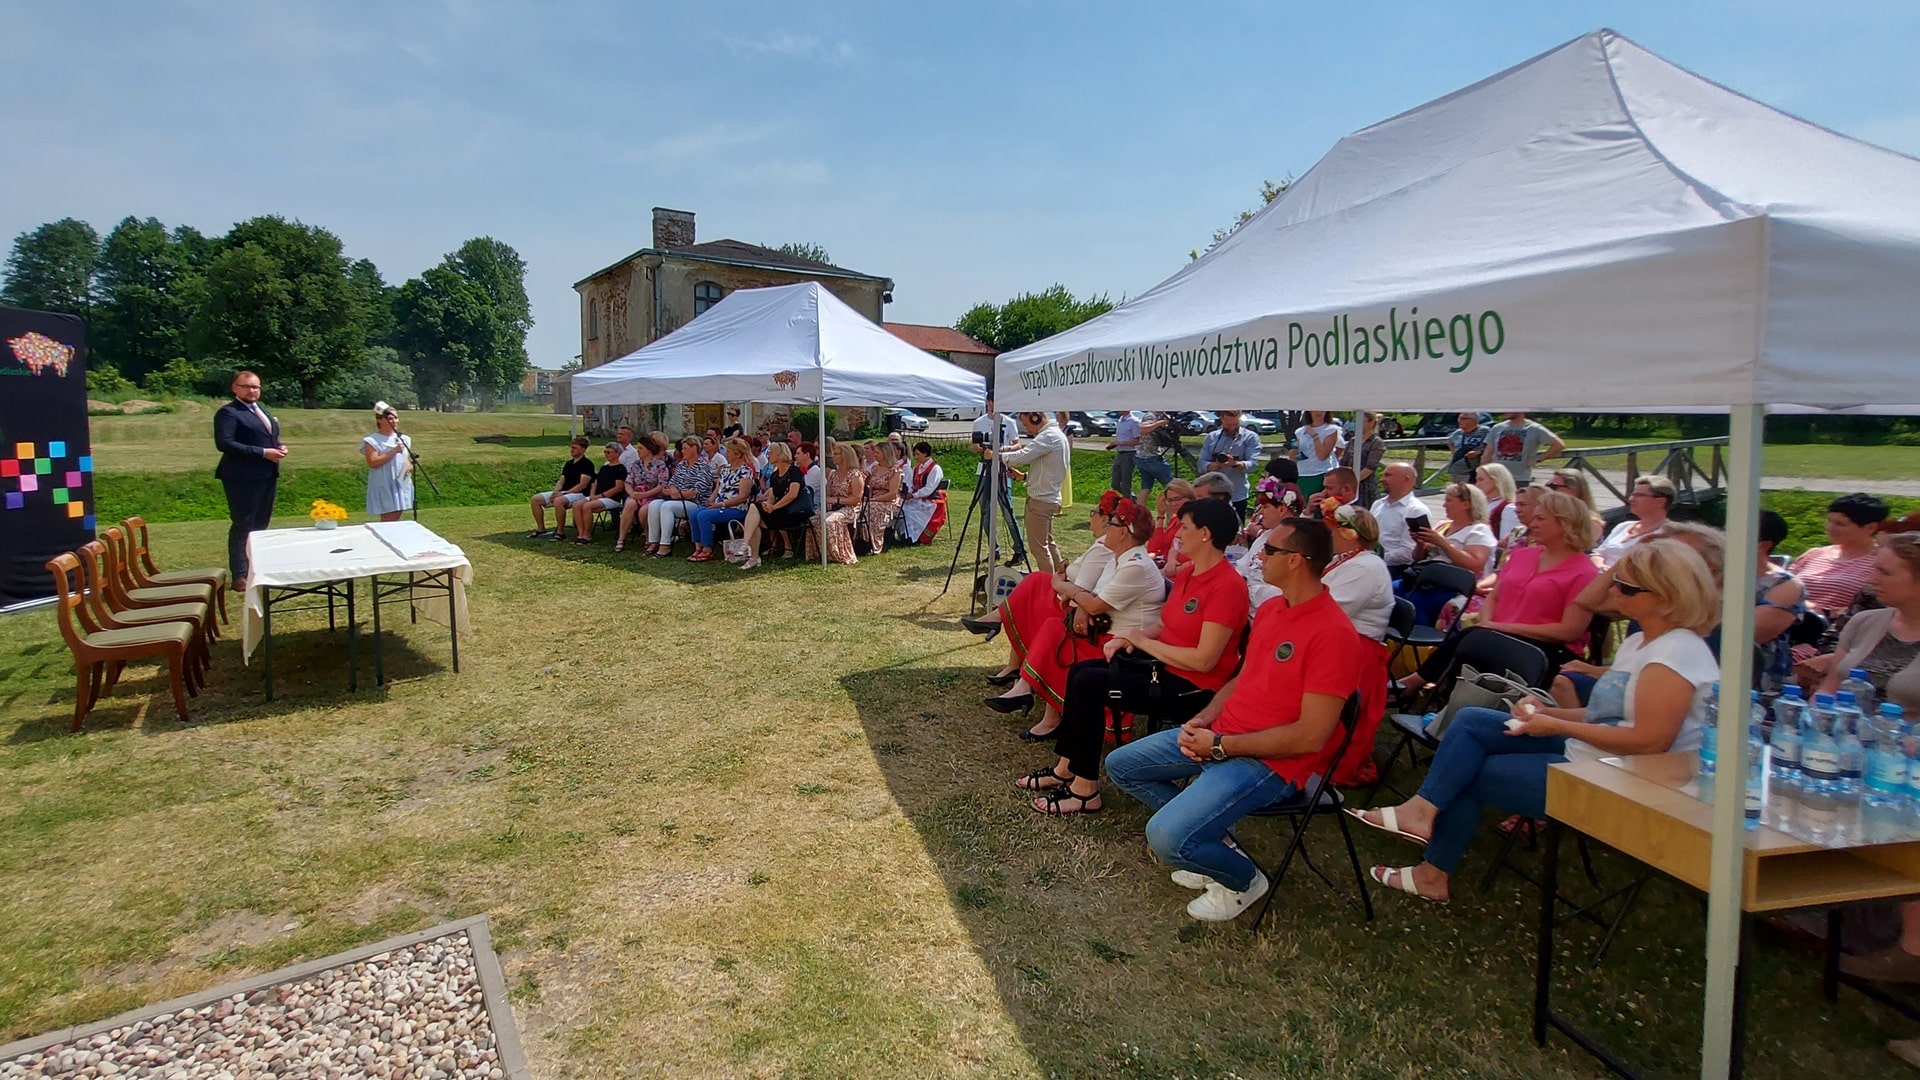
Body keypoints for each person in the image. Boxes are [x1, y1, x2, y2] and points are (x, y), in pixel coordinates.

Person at [1356, 539, 1720, 903]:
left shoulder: (1675, 654)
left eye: (1625, 587)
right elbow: (1610, 715)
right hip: (1597, 752)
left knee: (1467, 771)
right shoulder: (1641, 642)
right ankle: (1422, 812)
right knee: (1469, 722)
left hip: (1620, 779)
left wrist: (1557, 725)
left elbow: (1649, 741)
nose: (1613, 592)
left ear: (1663, 596)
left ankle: (1432, 873)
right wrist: (1548, 712)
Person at [1101, 516, 1363, 921]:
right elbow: (1242, 678)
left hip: (1269, 762)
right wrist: (1204, 720)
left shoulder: (1333, 634)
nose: (1260, 556)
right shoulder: (1273, 609)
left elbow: (1310, 737)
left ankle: (1243, 880)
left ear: (1296, 560)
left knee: (1165, 837)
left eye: (1270, 550)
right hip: (1223, 735)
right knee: (1123, 766)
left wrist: (1221, 747)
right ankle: (1211, 840)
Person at [1013, 498, 1251, 820]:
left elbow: (1204, 661)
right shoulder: (1191, 574)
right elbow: (1164, 625)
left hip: (1192, 688)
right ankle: (1066, 769)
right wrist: (1130, 637)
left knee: (1090, 683)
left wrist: (1141, 641)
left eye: (1185, 527)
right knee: (1082, 674)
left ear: (1205, 534)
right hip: (1164, 669)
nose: (1177, 534)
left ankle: (1084, 790)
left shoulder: (1227, 587)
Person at [1825, 534, 1920, 985]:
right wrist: (1818, 721)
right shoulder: (1867, 621)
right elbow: (1831, 686)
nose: (1871, 578)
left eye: (1885, 571)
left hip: (1906, 761)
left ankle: (1911, 950)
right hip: (1849, 748)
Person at [991, 497, 1166, 739]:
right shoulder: (1120, 558)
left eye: (1112, 524)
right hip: (1107, 635)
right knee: (1054, 626)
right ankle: (1029, 693)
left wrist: (1063, 587)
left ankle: (1033, 697)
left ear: (1124, 532)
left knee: (1055, 629)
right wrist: (1077, 597)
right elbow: (1092, 597)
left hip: (1124, 649)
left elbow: (1093, 603)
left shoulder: (1135, 565)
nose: (1107, 528)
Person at [1396, 490, 1601, 696]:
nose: (1533, 524)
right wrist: (1487, 624)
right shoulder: (1522, 556)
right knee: (1476, 642)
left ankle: (1415, 683)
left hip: (1544, 648)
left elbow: (1570, 631)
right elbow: (1494, 596)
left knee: (1476, 643)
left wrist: (1499, 628)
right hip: (1498, 635)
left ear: (1565, 523)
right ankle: (1433, 691)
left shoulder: (1583, 572)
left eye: (1540, 519)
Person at [1789, 492, 1891, 667]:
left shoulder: (1880, 562)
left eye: (1840, 524)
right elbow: (1783, 586)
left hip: (1836, 634)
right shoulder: (1815, 554)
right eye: (1829, 521)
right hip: (1791, 623)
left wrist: (1829, 611)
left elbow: (1879, 603)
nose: (1830, 528)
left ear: (1870, 527)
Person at [213, 370, 288, 583]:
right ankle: (240, 574)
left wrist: (278, 447)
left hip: (266, 474)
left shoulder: (261, 410)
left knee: (261, 523)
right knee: (243, 523)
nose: (252, 390)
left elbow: (266, 437)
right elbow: (225, 443)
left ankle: (256, 567)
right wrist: (263, 452)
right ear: (234, 388)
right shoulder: (229, 412)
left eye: (255, 387)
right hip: (241, 476)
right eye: (246, 387)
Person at [1000, 411, 1072, 575]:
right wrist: (1025, 476)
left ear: (1035, 417)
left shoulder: (1048, 436)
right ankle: (1060, 579)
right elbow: (1047, 470)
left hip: (1041, 501)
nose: (1027, 429)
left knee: (1039, 549)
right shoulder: (1055, 434)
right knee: (1048, 544)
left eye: (1027, 424)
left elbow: (1021, 457)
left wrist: (997, 456)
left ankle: (1048, 584)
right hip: (1048, 498)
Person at [738, 441, 810, 568]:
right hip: (778, 511)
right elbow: (772, 496)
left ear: (779, 454)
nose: (768, 455)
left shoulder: (794, 471)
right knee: (754, 512)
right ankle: (752, 554)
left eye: (771, 453)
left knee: (755, 515)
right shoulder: (774, 476)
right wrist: (768, 504)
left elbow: (792, 494)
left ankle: (749, 549)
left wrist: (774, 507)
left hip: (793, 513)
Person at [972, 397, 1026, 564]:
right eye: (992, 402)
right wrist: (980, 447)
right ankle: (993, 549)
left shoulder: (1009, 422)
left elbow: (1018, 444)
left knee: (1007, 511)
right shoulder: (979, 422)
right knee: (986, 513)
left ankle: (1019, 550)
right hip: (984, 469)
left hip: (1002, 469)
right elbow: (972, 446)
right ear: (988, 402)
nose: (994, 405)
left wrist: (1003, 449)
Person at [688, 437, 756, 562]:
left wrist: (721, 505)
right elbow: (718, 487)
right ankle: (698, 547)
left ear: (738, 454)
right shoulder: (725, 469)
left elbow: (743, 496)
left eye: (729, 452)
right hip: (719, 504)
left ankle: (707, 549)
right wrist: (712, 498)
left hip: (735, 508)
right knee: (694, 513)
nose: (726, 454)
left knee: (704, 516)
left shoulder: (745, 471)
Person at [645, 436, 713, 557]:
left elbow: (696, 492)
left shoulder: (704, 467)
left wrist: (678, 494)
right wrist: (673, 491)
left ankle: (665, 545)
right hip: (677, 499)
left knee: (667, 506)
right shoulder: (682, 465)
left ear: (694, 448)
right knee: (654, 505)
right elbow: (672, 483)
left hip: (696, 503)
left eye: (685, 448)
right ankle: (653, 541)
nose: (682, 451)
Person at [1411, 482, 1497, 578]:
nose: (1444, 505)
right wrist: (1420, 545)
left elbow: (1475, 564)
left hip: (1456, 582)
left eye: (1449, 500)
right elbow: (1418, 558)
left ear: (1465, 504)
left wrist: (1443, 543)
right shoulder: (1442, 525)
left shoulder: (1479, 530)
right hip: (1427, 574)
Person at [1593, 475, 1677, 566]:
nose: (1631, 499)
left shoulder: (1669, 535)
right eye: (1632, 494)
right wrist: (1601, 566)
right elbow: (1597, 553)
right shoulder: (1623, 526)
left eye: (1639, 495)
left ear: (1660, 501)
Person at [529, 436, 596, 540]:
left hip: (580, 493)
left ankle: (560, 531)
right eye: (571, 447)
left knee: (558, 501)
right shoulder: (569, 464)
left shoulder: (587, 464)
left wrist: (564, 493)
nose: (571, 450)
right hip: (565, 492)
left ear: (583, 449)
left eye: (574, 448)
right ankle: (541, 528)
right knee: (535, 499)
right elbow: (561, 480)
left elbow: (582, 485)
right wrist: (556, 491)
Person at [1201, 410, 1264, 519]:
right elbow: (1201, 463)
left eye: (1235, 424)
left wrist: (1235, 463)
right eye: (1228, 424)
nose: (1231, 428)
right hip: (1212, 493)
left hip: (1237, 493)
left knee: (1236, 526)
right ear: (1222, 419)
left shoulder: (1250, 437)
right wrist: (1214, 465)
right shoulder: (1211, 437)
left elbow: (1253, 464)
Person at [614, 434, 670, 553]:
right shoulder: (636, 465)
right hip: (637, 494)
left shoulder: (660, 465)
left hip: (653, 495)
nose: (638, 451)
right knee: (629, 505)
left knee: (644, 511)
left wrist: (646, 495)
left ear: (648, 450)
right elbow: (628, 482)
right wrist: (632, 493)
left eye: (640, 448)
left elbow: (662, 485)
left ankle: (650, 536)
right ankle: (621, 539)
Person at [815, 443, 868, 565]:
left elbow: (856, 499)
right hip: (835, 506)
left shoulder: (856, 475)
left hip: (851, 508)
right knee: (815, 519)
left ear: (845, 456)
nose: (833, 456)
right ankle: (822, 553)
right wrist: (828, 500)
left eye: (836, 454)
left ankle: (838, 554)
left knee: (830, 521)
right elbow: (828, 494)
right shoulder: (833, 474)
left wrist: (837, 500)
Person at [361, 401, 413, 523]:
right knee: (388, 517)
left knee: (397, 513)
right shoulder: (372, 440)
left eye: (396, 418)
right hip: (384, 482)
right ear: (380, 420)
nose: (394, 421)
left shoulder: (404, 439)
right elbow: (372, 462)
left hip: (399, 482)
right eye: (390, 418)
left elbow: (404, 458)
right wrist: (393, 451)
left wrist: (408, 466)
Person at [568, 442, 629, 545]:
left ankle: (587, 535)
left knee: (587, 506)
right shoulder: (604, 468)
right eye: (605, 452)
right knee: (576, 505)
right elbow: (595, 484)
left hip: (611, 499)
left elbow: (618, 488)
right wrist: (592, 495)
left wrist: (600, 496)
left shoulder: (620, 469)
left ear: (617, 453)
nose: (606, 454)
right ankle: (581, 533)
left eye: (609, 452)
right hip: (597, 496)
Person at [1371, 461, 1424, 577]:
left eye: (1388, 475)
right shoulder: (1378, 504)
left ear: (1406, 479)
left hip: (1395, 570)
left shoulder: (1415, 510)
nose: (1382, 479)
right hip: (1371, 562)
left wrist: (1375, 559)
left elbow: (1408, 552)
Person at [1485, 412, 1564, 487]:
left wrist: (1538, 459)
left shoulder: (1535, 428)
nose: (1505, 411)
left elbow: (1558, 445)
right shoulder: (1497, 428)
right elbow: (1488, 453)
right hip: (1496, 477)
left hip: (1520, 478)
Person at [900, 441, 947, 545]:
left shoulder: (935, 469)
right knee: (902, 507)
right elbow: (913, 484)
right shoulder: (917, 468)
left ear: (925, 453)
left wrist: (914, 495)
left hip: (932, 500)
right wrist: (908, 492)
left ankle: (916, 537)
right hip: (918, 498)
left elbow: (929, 488)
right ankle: (906, 535)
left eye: (918, 454)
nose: (916, 457)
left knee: (909, 511)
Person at [861, 441, 904, 553]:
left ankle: (875, 542)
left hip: (889, 501)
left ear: (885, 454)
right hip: (873, 499)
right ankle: (863, 540)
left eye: (877, 453)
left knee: (872, 509)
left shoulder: (895, 471)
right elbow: (871, 487)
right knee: (860, 507)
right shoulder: (875, 468)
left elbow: (892, 494)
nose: (874, 455)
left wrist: (874, 500)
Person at [1292, 411, 1345, 499]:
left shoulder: (1331, 430)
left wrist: (1314, 435)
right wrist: (1293, 455)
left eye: (1322, 409)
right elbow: (1299, 456)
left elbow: (1322, 455)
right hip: (1303, 474)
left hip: (1321, 474)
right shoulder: (1300, 431)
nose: (1319, 412)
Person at [1147, 480, 1195, 566]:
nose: (1174, 504)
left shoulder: (1193, 522)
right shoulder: (1175, 520)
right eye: (1170, 500)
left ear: (1190, 497)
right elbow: (1154, 548)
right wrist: (1161, 515)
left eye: (1177, 499)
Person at [1134, 411, 1176, 495]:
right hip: (1151, 457)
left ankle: (1140, 505)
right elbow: (1142, 429)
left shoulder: (1161, 415)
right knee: (1172, 485)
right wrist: (1160, 423)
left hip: (1142, 457)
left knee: (1146, 487)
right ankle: (1174, 500)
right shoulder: (1151, 416)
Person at [1476, 463, 1521, 541]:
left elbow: (1507, 542)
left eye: (1481, 480)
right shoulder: (1480, 504)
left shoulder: (1509, 508)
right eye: (1477, 480)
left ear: (1496, 480)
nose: (1477, 485)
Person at [1353, 412, 1388, 509]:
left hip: (1365, 486)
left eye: (1362, 421)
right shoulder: (1353, 440)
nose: (1358, 424)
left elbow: (1371, 467)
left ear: (1371, 423)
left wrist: (1353, 481)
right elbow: (1344, 461)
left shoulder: (1377, 442)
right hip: (1349, 484)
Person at [1445, 411, 1489, 484]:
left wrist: (1479, 452)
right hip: (1456, 469)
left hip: (1472, 471)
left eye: (1464, 418)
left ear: (1473, 420)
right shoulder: (1457, 433)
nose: (1460, 421)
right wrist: (1454, 453)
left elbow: (1490, 445)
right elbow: (1450, 442)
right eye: (1459, 418)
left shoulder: (1484, 431)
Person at [1109, 410, 1142, 497]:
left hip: (1129, 453)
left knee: (1126, 482)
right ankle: (1133, 498)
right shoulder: (1120, 420)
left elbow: (1137, 441)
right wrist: (1114, 444)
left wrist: (1120, 443)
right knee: (1115, 483)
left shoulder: (1134, 421)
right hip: (1120, 453)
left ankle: (1128, 501)